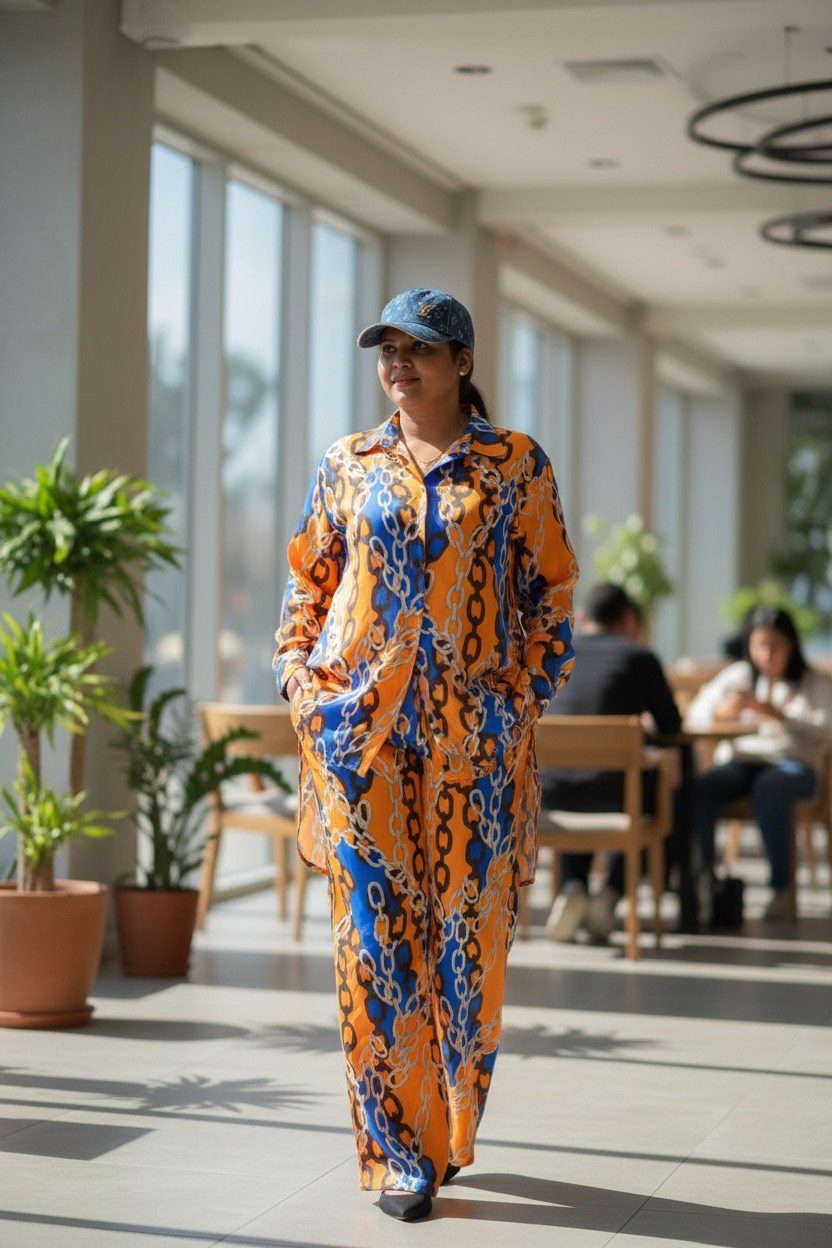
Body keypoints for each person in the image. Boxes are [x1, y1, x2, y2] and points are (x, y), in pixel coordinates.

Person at [272, 287, 578, 1222]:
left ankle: (446, 1129)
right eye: (388, 350)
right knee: (372, 947)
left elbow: (552, 599)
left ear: (462, 363)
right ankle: (397, 1154)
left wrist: (512, 708)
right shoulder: (347, 463)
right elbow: (308, 587)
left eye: (420, 349)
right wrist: (305, 690)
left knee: (466, 948)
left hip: (474, 752)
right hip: (358, 742)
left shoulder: (515, 465)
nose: (399, 364)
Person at [539, 581, 689, 942]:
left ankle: (573, 887)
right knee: (648, 787)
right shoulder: (639, 657)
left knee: (583, 777)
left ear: (582, 617)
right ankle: (610, 895)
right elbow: (672, 727)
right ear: (628, 619)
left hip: (551, 796)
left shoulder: (558, 652)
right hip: (617, 797)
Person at [687, 605, 832, 921]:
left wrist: (781, 717)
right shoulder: (739, 676)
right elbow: (695, 714)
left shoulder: (814, 683)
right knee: (701, 787)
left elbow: (825, 734)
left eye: (775, 645)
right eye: (760, 645)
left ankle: (781, 887)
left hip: (794, 766)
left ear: (791, 645)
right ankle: (705, 881)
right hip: (743, 762)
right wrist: (721, 712)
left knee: (770, 787)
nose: (767, 654)